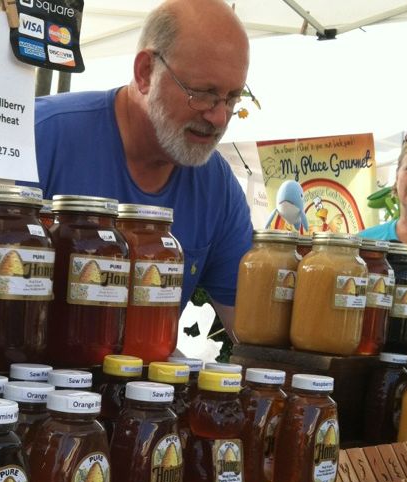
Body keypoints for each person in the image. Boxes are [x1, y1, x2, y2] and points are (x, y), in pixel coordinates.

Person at [31, 0, 253, 336]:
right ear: (145, 72)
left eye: (232, 98)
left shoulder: (217, 188)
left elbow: (252, 330)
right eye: (203, 94)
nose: (219, 117)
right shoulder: (39, 136)